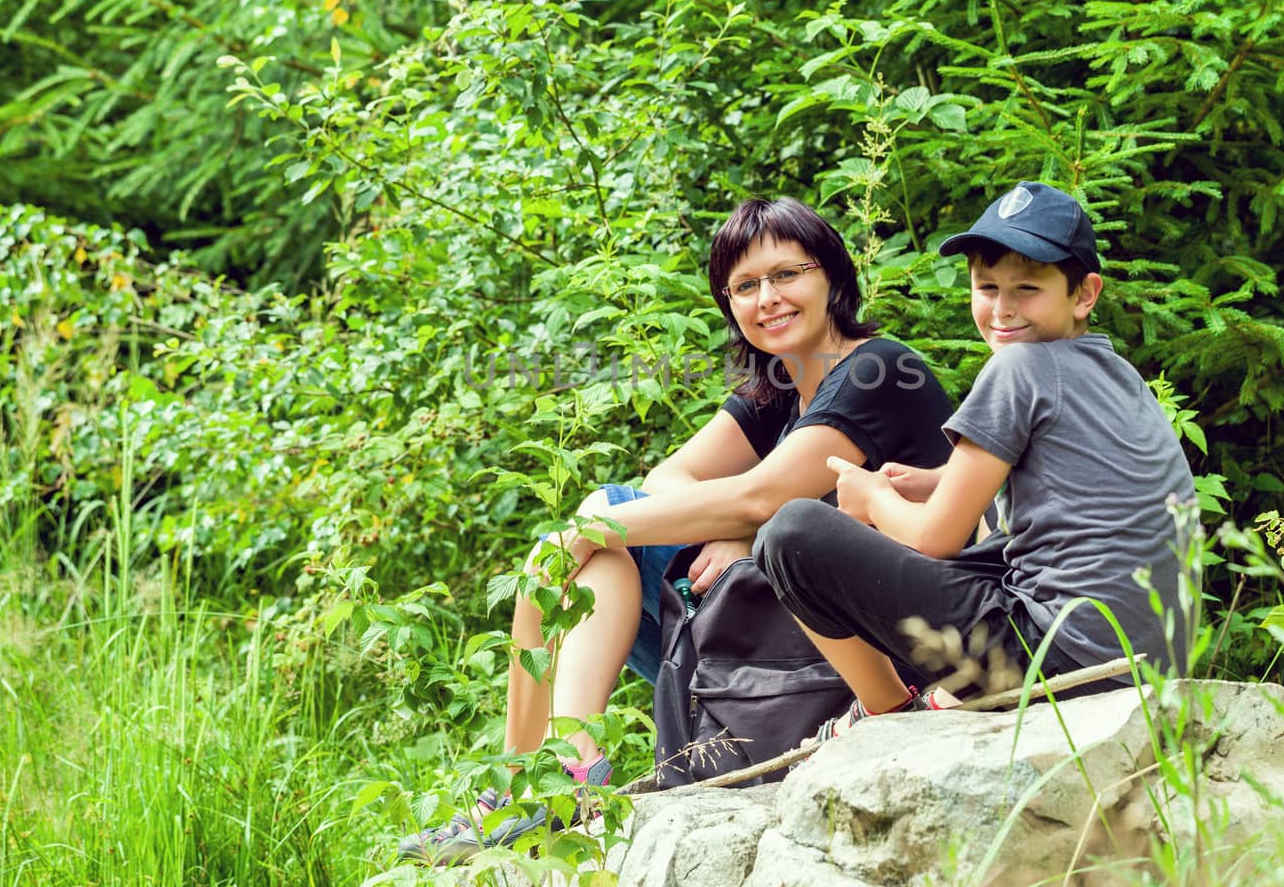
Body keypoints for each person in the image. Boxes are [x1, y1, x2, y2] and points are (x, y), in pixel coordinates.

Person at [399, 196, 954, 862]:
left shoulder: (878, 370)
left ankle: (533, 782)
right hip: (787, 639)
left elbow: (763, 496)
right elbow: (671, 475)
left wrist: (742, 525)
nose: (766, 298)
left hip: (885, 647)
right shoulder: (777, 387)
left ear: (832, 275)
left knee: (593, 527)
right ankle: (556, 771)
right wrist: (733, 528)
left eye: (786, 274)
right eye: (745, 287)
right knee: (591, 550)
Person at [752, 181, 1197, 739]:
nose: (1002, 309)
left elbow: (933, 540)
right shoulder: (1117, 373)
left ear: (1085, 293)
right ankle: (931, 697)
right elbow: (1071, 482)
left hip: (1063, 664)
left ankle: (885, 711)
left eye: (1027, 288)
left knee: (791, 532)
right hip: (1149, 659)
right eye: (987, 287)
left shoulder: (1019, 367)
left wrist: (875, 498)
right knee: (996, 549)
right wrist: (936, 480)